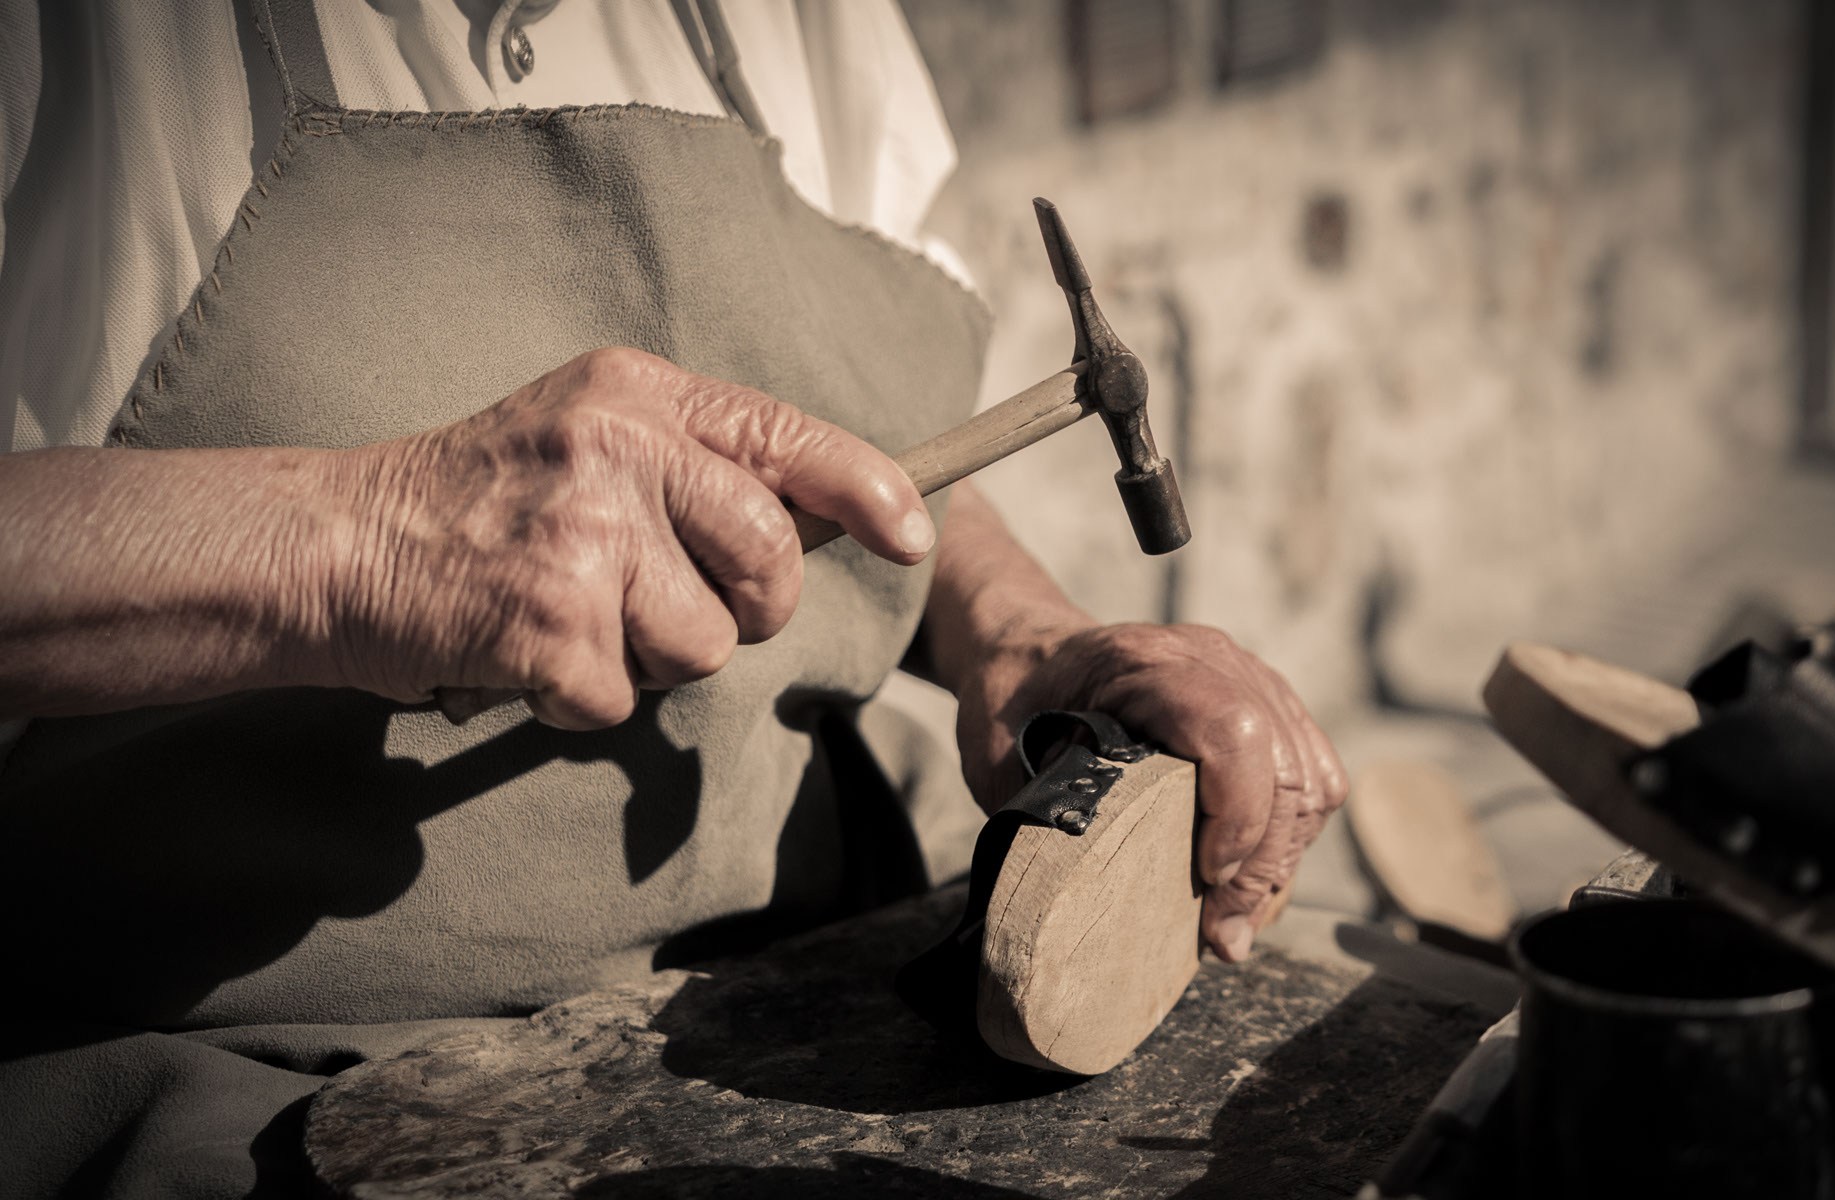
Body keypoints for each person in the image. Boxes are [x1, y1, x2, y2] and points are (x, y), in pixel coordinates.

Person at [0, 1, 1347, 1194]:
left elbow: (870, 432)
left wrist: (1024, 632)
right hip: (257, 1081)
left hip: (819, 985)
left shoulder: (802, 25)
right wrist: (357, 543)